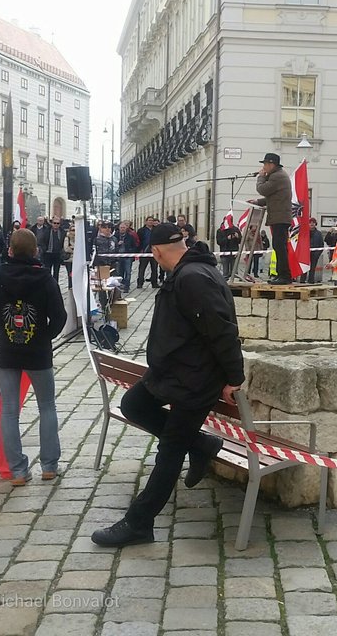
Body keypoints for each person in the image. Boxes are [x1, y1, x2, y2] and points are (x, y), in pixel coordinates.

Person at [91, 223, 244, 547]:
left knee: (170, 449)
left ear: (156, 251)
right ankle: (201, 445)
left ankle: (139, 523)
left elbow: (222, 332)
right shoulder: (190, 272)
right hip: (175, 373)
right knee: (134, 404)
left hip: (196, 379)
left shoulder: (193, 278)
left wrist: (234, 379)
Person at [0, 229, 67, 484]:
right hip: (38, 352)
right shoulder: (45, 278)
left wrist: (4, 324)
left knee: (9, 411)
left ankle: (17, 469)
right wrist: (44, 336)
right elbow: (60, 317)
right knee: (47, 407)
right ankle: (49, 465)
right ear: (36, 251)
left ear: (10, 251)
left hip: (7, 351)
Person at [250, 153, 292, 285]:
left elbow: (263, 189)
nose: (263, 167)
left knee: (280, 247)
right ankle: (282, 274)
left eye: (265, 165)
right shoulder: (277, 175)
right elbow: (273, 196)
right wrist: (258, 202)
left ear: (271, 164)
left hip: (280, 217)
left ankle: (284, 276)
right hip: (279, 216)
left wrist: (261, 177)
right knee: (279, 246)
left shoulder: (277, 176)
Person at [40, 217, 65, 281]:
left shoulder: (62, 232)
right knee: (47, 271)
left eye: (58, 223)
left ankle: (55, 285)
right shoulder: (47, 231)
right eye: (54, 223)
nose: (56, 225)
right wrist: (44, 249)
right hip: (48, 254)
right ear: (52, 223)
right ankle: (47, 284)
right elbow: (42, 241)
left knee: (56, 272)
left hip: (58, 254)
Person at [136, 216, 158, 289]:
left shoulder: (156, 230)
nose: (151, 222)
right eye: (149, 220)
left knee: (154, 268)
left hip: (154, 251)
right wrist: (139, 250)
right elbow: (138, 241)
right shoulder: (141, 230)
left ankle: (154, 283)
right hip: (144, 251)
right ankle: (140, 283)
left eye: (152, 220)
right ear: (146, 222)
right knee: (142, 268)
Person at [300, 218, 325, 284]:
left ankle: (311, 280)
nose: (311, 224)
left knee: (313, 267)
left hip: (315, 253)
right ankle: (302, 280)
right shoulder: (304, 232)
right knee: (304, 266)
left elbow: (321, 244)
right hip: (305, 253)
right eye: (310, 222)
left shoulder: (318, 233)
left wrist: (318, 254)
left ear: (315, 224)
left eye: (313, 222)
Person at [115, 221, 137, 292]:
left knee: (128, 272)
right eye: (121, 227)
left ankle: (127, 286)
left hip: (127, 256)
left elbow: (135, 246)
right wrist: (117, 244)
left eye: (124, 227)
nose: (122, 229)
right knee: (119, 272)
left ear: (126, 228)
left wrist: (130, 251)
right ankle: (120, 286)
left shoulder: (130, 236)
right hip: (118, 257)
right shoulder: (115, 236)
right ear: (119, 228)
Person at [62, 225, 76, 289]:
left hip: (76, 260)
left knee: (75, 274)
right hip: (69, 260)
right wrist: (74, 250)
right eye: (73, 230)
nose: (74, 232)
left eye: (75, 230)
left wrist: (72, 248)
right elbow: (66, 248)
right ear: (70, 231)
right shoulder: (67, 238)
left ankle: (75, 286)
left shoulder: (78, 238)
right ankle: (70, 286)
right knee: (70, 274)